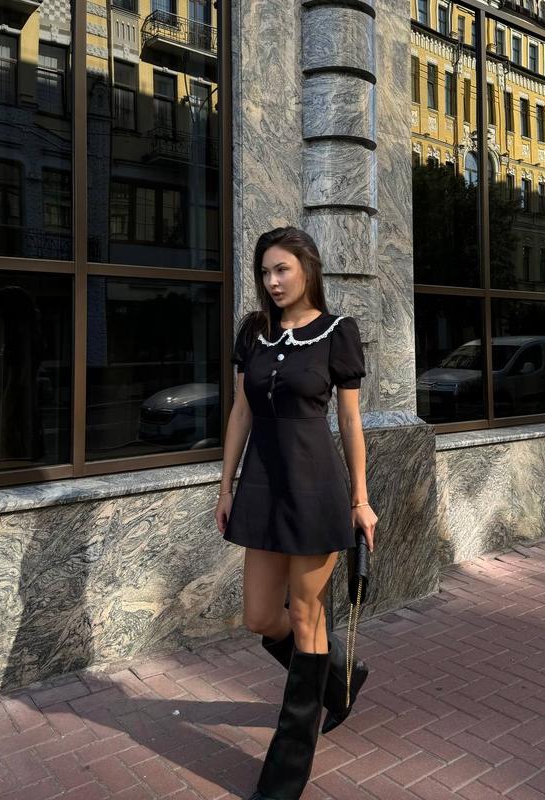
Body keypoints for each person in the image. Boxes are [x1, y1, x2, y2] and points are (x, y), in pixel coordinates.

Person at [215, 226, 378, 800]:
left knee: (308, 615)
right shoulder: (253, 332)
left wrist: (360, 499)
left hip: (315, 487)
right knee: (261, 616)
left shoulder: (338, 332)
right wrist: (226, 486)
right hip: (262, 484)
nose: (273, 281)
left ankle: (283, 777)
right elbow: (241, 411)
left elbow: (350, 422)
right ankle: (336, 679)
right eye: (265, 272)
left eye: (282, 269)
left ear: (308, 268)